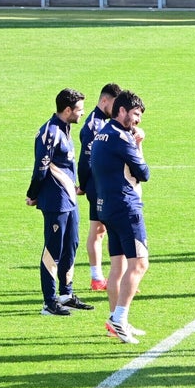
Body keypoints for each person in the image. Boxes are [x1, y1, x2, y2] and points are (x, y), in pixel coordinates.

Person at [90, 90, 150, 345]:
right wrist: (138, 145)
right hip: (126, 208)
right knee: (139, 264)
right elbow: (144, 173)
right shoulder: (122, 138)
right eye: (135, 114)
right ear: (121, 111)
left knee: (119, 266)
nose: (137, 120)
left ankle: (117, 320)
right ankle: (119, 318)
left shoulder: (101, 134)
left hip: (106, 206)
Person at [28, 88, 94, 316]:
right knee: (53, 249)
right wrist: (33, 193)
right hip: (55, 201)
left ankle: (66, 294)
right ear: (67, 110)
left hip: (70, 200)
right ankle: (49, 301)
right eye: (79, 109)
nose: (83, 113)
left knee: (71, 245)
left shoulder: (65, 129)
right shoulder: (50, 132)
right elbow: (41, 167)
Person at [76, 82, 121, 291]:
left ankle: (110, 278)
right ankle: (97, 277)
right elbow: (85, 160)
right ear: (104, 100)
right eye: (114, 104)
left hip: (105, 184)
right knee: (99, 230)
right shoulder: (94, 125)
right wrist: (84, 186)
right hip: (97, 185)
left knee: (103, 230)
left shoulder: (106, 121)